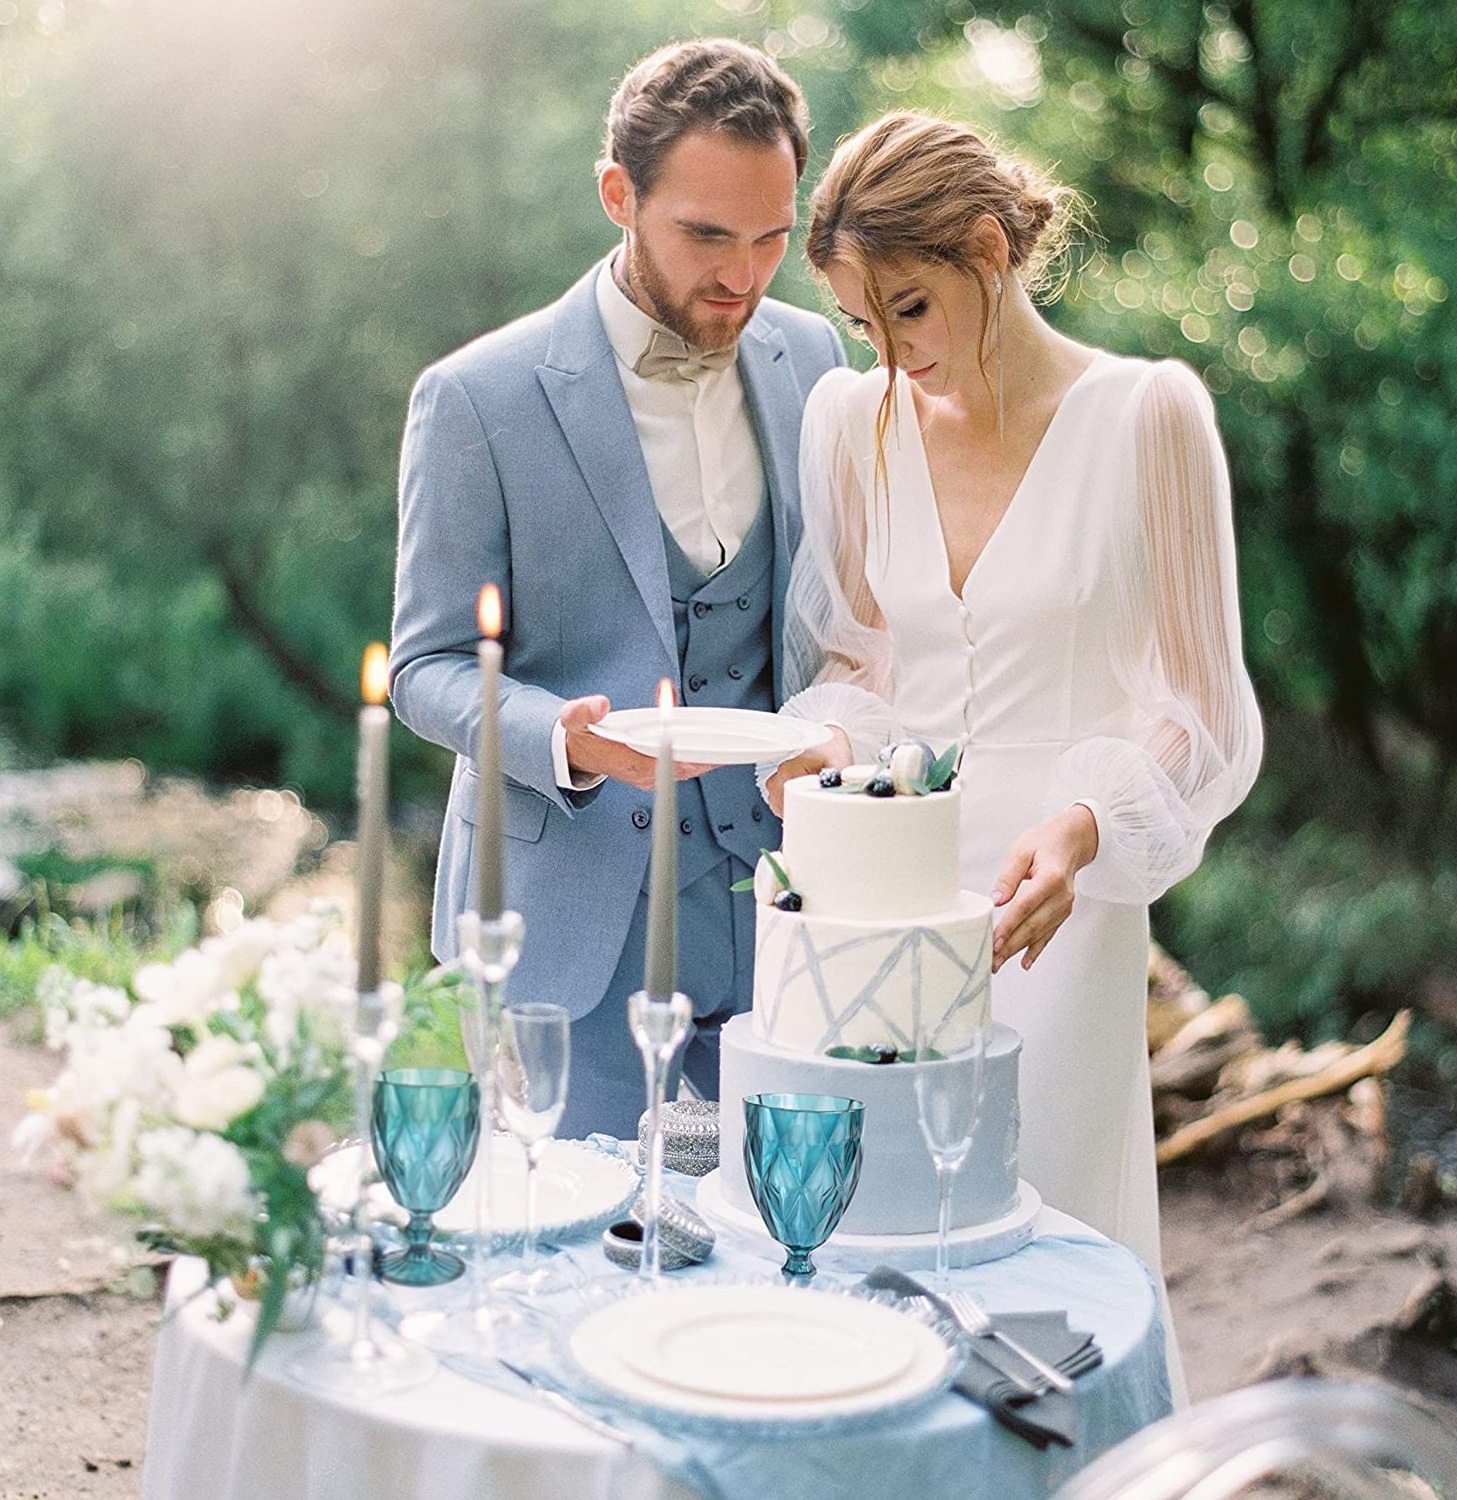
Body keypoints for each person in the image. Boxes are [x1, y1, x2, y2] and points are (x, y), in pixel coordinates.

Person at [765, 112, 1262, 1399]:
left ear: (992, 250)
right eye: (864, 326)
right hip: (887, 904)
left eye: (912, 310)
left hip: (1057, 908)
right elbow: (863, 668)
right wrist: (824, 754)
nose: (889, 357)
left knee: (1046, 1263)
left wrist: (1089, 821)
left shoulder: (1149, 416)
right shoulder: (852, 421)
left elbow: (1199, 703)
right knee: (864, 1247)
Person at [390, 40, 845, 1139]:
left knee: (772, 1242)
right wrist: (565, 738)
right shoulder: (476, 399)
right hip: (569, 934)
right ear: (618, 196)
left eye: (772, 238)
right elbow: (424, 669)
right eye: (705, 236)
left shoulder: (817, 360)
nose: (743, 275)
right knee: (584, 1265)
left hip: (780, 917)